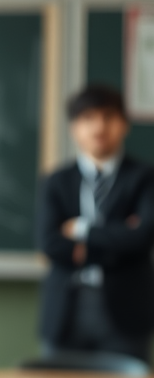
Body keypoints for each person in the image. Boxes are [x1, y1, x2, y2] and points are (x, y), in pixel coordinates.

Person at [38, 84, 154, 362]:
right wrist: (120, 235)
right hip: (67, 309)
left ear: (124, 124)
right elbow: (49, 243)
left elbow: (143, 237)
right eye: (88, 118)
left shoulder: (145, 178)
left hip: (127, 311)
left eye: (109, 116)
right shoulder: (56, 181)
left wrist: (82, 230)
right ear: (74, 128)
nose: (99, 126)